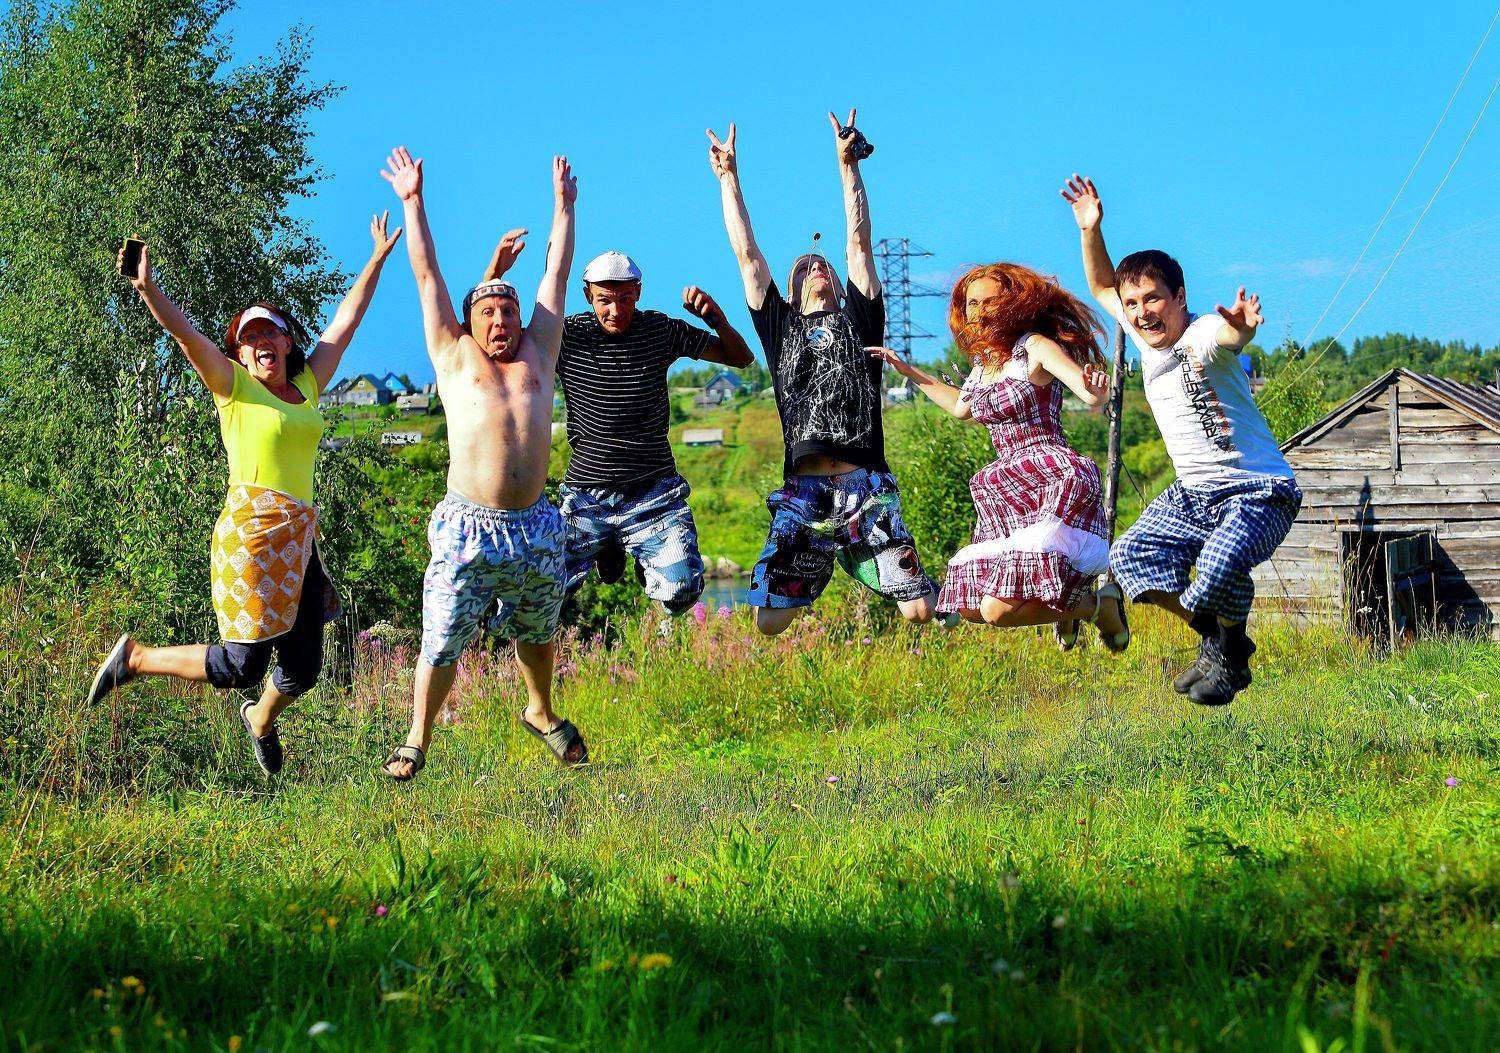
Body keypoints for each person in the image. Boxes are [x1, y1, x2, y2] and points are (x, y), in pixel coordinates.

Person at [85, 214, 403, 774]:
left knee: (304, 667)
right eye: (249, 337)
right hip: (252, 536)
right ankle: (135, 658)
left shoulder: (306, 385)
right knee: (242, 665)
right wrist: (148, 288)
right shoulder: (232, 387)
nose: (261, 343)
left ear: (287, 341)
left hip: (298, 538)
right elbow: (186, 335)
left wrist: (376, 258)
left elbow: (346, 321)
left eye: (269, 333)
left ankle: (259, 719)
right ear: (239, 351)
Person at [378, 146, 583, 781]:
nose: (500, 319)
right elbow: (427, 276)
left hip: (535, 524)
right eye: (487, 312)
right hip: (468, 526)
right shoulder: (454, 355)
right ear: (468, 322)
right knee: (441, 637)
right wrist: (413, 202)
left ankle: (540, 711)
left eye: (509, 310)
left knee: (538, 628)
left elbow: (556, 275)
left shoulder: (540, 354)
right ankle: (417, 737)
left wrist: (563, 207)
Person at [1061, 174, 1301, 705]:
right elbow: (1101, 286)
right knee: (1129, 560)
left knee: (1216, 568)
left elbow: (1228, 336)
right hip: (1193, 494)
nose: (1142, 311)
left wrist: (1242, 328)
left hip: (1258, 492)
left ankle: (1228, 646)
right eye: (1134, 303)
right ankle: (1221, 641)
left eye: (1154, 299)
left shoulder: (1199, 334)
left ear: (1180, 297)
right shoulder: (1143, 336)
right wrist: (1090, 229)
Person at [708, 110, 937, 636]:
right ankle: (821, 558)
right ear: (790, 293)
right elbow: (747, 255)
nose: (818, 267)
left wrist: (848, 167)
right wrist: (728, 178)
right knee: (769, 622)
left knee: (919, 611)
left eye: (823, 267)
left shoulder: (861, 318)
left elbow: (858, 243)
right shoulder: (781, 327)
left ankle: (897, 568)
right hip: (804, 493)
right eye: (806, 269)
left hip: (865, 488)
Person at [479, 241, 753, 615]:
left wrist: (716, 319)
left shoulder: (659, 330)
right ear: (587, 296)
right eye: (605, 300)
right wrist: (494, 275)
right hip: (587, 496)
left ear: (638, 292)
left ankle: (643, 553)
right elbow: (494, 340)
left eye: (625, 299)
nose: (616, 311)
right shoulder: (566, 335)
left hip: (653, 491)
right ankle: (608, 543)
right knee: (533, 597)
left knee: (682, 592)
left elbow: (741, 358)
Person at [869, 263, 1129, 649]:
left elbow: (1089, 393)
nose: (980, 311)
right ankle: (1078, 607)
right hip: (1006, 490)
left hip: (1049, 475)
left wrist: (1097, 388)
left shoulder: (1033, 347)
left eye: (990, 301)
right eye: (972, 303)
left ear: (1013, 304)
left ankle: (1095, 609)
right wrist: (907, 370)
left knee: (996, 610)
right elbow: (961, 407)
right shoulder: (983, 365)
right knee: (971, 607)